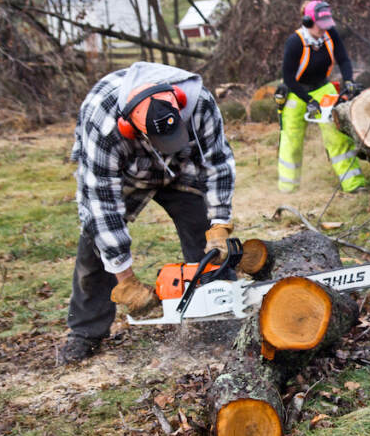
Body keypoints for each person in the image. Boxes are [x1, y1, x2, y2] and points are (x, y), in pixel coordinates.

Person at [58, 61, 236, 365]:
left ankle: (222, 314)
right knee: (94, 243)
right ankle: (85, 331)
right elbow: (102, 208)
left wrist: (219, 225)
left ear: (179, 103)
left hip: (182, 169)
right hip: (126, 172)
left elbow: (218, 164)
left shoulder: (200, 104)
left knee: (202, 232)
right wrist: (124, 278)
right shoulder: (104, 126)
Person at [278, 0, 367, 193]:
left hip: (322, 88)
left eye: (327, 25)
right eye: (321, 26)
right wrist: (308, 101)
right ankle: (288, 188)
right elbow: (288, 77)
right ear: (308, 22)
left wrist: (349, 80)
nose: (324, 29)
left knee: (337, 135)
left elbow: (343, 59)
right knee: (291, 139)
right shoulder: (295, 42)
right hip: (296, 91)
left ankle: (353, 183)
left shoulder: (330, 34)